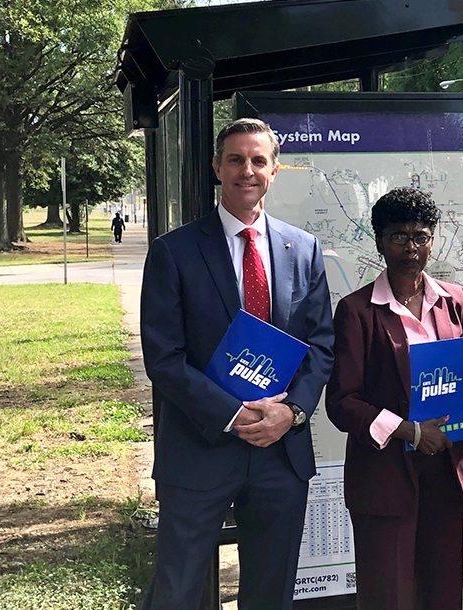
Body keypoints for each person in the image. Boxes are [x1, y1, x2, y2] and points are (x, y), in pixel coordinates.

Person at [139, 117, 335, 609]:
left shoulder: (303, 248)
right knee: (177, 591)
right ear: (216, 167)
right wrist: (231, 413)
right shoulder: (173, 252)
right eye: (235, 160)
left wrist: (291, 413)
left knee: (271, 595)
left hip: (279, 450)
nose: (247, 170)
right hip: (199, 447)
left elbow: (320, 343)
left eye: (258, 160)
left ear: (273, 171)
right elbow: (164, 358)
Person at [325, 187, 463, 610]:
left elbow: (462, 374)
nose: (411, 248)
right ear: (379, 241)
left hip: (447, 471)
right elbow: (342, 400)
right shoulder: (357, 311)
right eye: (398, 237)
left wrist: (443, 425)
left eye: (421, 236)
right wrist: (409, 431)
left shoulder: (455, 301)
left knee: (443, 593)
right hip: (386, 475)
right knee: (388, 595)